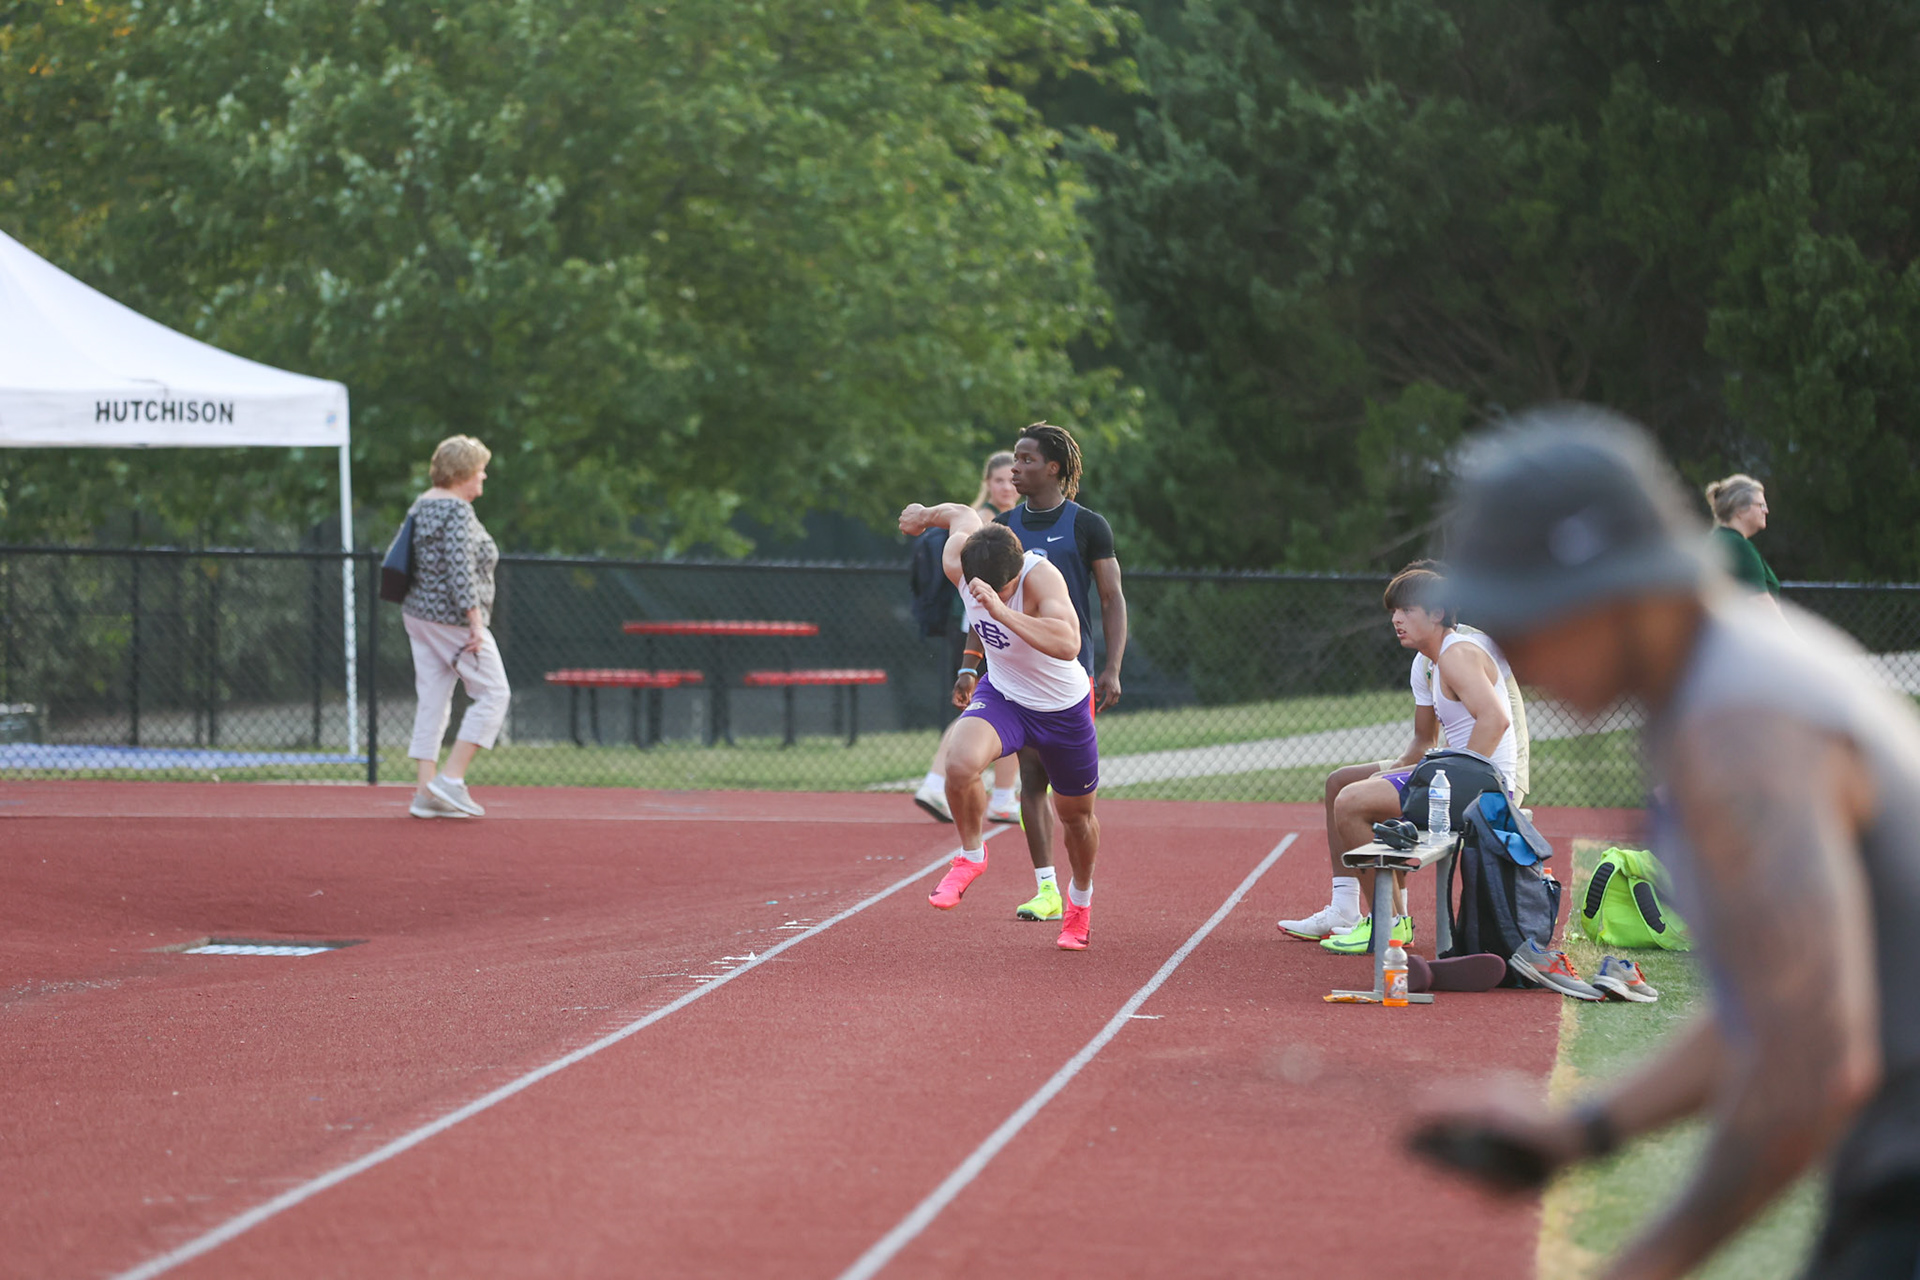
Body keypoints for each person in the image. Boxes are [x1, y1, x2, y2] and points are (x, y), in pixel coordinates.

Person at [1412, 406, 1920, 1280]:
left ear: (1609, 593)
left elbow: (1810, 1064)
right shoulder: (1723, 679)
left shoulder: (1740, 732)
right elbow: (1778, 1000)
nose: (1519, 657)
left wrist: (1644, 1265)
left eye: (1530, 621)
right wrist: (1584, 1130)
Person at [1276, 562, 1518, 956]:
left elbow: (1496, 719)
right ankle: (1353, 911)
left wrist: (1458, 773)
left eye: (1406, 610)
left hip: (1481, 788)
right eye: (1393, 611)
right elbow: (1425, 742)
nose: (1396, 619)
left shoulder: (1457, 655)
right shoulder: (1429, 662)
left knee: (1351, 803)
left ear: (1437, 613)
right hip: (1452, 771)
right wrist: (1409, 771)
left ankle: (1388, 923)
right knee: (1345, 784)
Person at [896, 503, 1103, 951]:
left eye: (1000, 587)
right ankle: (972, 856)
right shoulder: (961, 559)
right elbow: (961, 514)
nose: (987, 593)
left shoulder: (1040, 577)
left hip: (1063, 709)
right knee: (960, 764)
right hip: (1006, 696)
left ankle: (1079, 904)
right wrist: (924, 514)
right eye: (979, 588)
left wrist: (1001, 610)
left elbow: (1068, 644)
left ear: (1018, 569)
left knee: (1076, 818)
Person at [986, 423, 1128, 925]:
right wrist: (970, 664)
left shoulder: (1087, 524)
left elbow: (1110, 598)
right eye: (1013, 460)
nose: (1013, 469)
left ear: (1053, 467)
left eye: (1025, 460)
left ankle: (1079, 887)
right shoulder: (1003, 527)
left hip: (1071, 671)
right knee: (1030, 774)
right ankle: (1045, 888)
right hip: (1017, 672)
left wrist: (1111, 666)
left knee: (1071, 796)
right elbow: (983, 600)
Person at [402, 435, 509, 820]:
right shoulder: (458, 512)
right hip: (451, 619)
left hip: (418, 614)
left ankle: (424, 792)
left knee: (433, 699)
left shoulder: (422, 504)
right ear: (463, 474)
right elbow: (459, 571)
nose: (483, 478)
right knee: (495, 693)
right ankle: (451, 780)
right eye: (480, 471)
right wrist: (476, 624)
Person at [912, 451, 1022, 825]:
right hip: (982, 628)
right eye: (999, 480)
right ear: (987, 484)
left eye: (1012, 479)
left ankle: (990, 792)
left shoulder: (1014, 520)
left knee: (999, 711)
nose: (1006, 487)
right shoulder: (988, 523)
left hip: (1001, 625)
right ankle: (956, 785)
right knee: (997, 710)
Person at [1706, 472, 1782, 604]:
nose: (1766, 511)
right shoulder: (1738, 545)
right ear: (1740, 509)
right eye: (1761, 505)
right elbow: (1761, 602)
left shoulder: (1717, 539)